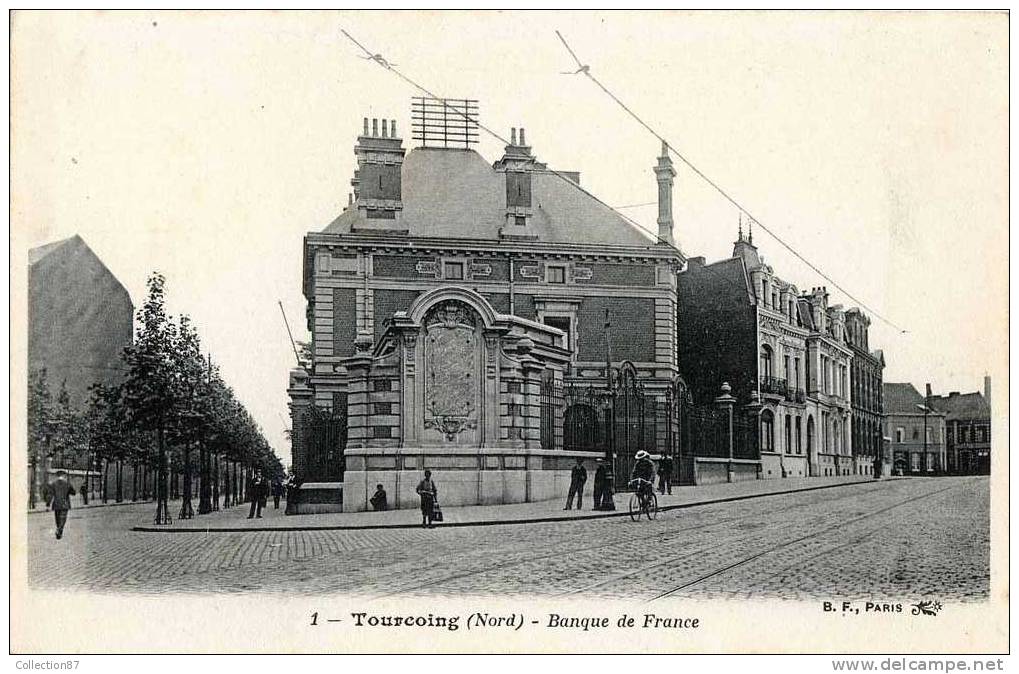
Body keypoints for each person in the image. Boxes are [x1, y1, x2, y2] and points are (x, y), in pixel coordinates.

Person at [43, 470, 76, 540]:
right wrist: (70, 486)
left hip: (56, 504)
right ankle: (59, 530)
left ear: (57, 476)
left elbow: (50, 495)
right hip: (65, 504)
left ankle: (59, 531)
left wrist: (48, 505)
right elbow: (73, 493)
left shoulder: (53, 484)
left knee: (57, 518)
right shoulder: (67, 483)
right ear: (64, 476)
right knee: (63, 518)